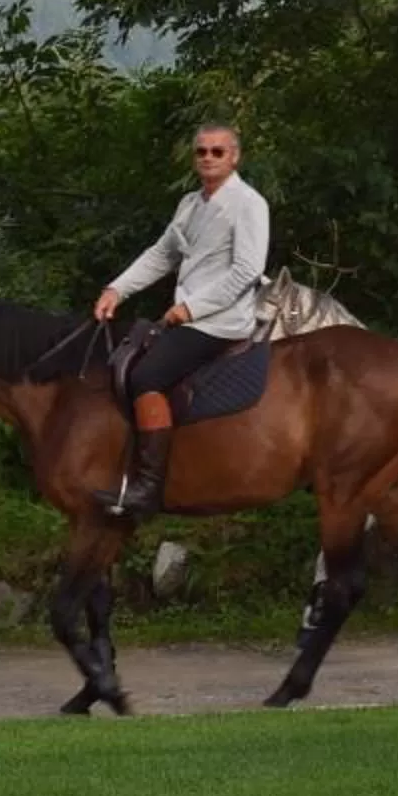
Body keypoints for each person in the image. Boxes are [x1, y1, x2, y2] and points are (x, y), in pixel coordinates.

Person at [88, 121, 270, 517]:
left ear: (234, 156)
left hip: (218, 321)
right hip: (187, 316)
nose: (208, 158)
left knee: (146, 376)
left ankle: (148, 489)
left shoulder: (249, 204)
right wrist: (116, 289)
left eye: (217, 151)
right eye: (201, 151)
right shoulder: (190, 204)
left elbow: (247, 271)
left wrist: (191, 308)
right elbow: (162, 254)